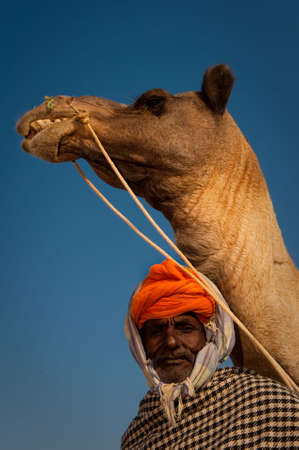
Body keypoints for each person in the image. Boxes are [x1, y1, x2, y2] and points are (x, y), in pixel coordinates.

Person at [121, 259, 299, 449]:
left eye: (185, 328)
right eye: (156, 331)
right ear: (141, 347)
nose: (171, 341)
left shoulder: (265, 404)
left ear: (209, 336)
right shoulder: (137, 436)